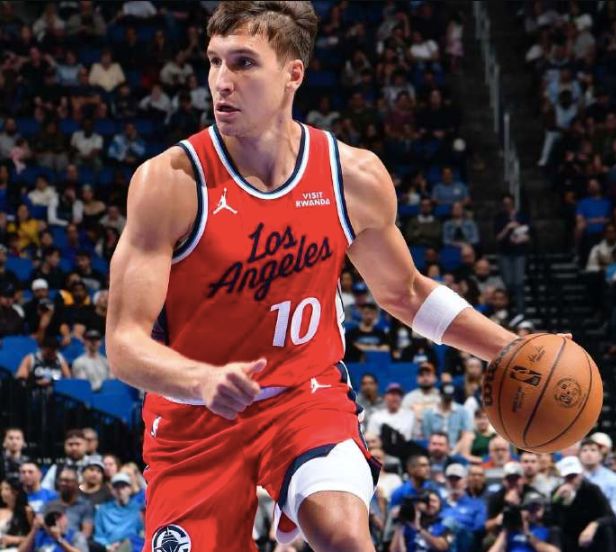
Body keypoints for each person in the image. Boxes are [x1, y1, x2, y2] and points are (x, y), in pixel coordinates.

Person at [105, 2, 529, 549]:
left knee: (344, 537)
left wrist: (510, 350)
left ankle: (296, 499)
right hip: (195, 416)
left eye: (243, 63)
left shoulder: (351, 175)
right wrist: (202, 381)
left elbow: (405, 293)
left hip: (304, 398)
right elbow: (124, 344)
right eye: (214, 61)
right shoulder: (169, 182)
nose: (221, 81)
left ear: (293, 74)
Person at [552, 456, 616, 552]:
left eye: (575, 476)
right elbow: (552, 521)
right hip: (571, 539)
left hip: (597, 538)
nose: (572, 480)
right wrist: (558, 500)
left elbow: (610, 516)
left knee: (607, 530)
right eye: (568, 477)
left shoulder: (592, 490)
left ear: (581, 474)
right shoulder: (556, 493)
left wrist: (594, 525)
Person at [487, 492, 560, 552]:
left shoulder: (548, 530)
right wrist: (505, 530)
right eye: (531, 508)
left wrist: (527, 534)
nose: (535, 512)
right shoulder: (511, 530)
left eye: (538, 508)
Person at [91, 473, 143, 552]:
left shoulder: (138, 509)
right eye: (116, 487)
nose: (120, 490)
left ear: (130, 489)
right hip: (109, 548)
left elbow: (142, 532)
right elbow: (98, 535)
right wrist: (108, 546)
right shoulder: (103, 509)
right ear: (112, 491)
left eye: (123, 486)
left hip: (134, 546)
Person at [421, 384, 473, 457]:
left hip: (456, 450)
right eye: (445, 397)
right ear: (439, 395)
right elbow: (427, 436)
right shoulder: (428, 413)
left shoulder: (462, 411)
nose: (447, 401)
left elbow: (466, 434)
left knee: (469, 436)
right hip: (436, 448)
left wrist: (453, 451)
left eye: (450, 398)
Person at [43, 468, 93, 540]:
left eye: (67, 481)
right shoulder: (50, 501)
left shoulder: (85, 505)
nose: (63, 483)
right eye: (61, 480)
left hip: (74, 543)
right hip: (50, 540)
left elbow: (86, 532)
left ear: (77, 484)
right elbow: (40, 522)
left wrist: (74, 543)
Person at [17, 504, 88, 552]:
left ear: (65, 518)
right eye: (52, 518)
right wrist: (34, 529)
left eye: (58, 517)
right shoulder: (40, 535)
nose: (56, 521)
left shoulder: (76, 535)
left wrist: (59, 539)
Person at [401, 362, 441, 439]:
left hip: (438, 438)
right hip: (415, 438)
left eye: (428, 375)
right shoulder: (409, 398)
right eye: (422, 375)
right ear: (417, 379)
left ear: (435, 378)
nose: (425, 378)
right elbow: (403, 420)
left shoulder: (441, 397)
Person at [579, 438, 616, 513]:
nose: (588, 454)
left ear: (600, 456)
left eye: (593, 450)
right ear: (579, 455)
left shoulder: (612, 479)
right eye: (584, 450)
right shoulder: (573, 476)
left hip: (605, 517)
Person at [0, 478, 33, 550]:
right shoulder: (1, 510)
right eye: (1, 489)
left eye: (6, 489)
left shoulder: (27, 512)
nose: (2, 492)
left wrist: (15, 539)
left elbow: (34, 537)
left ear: (16, 491)